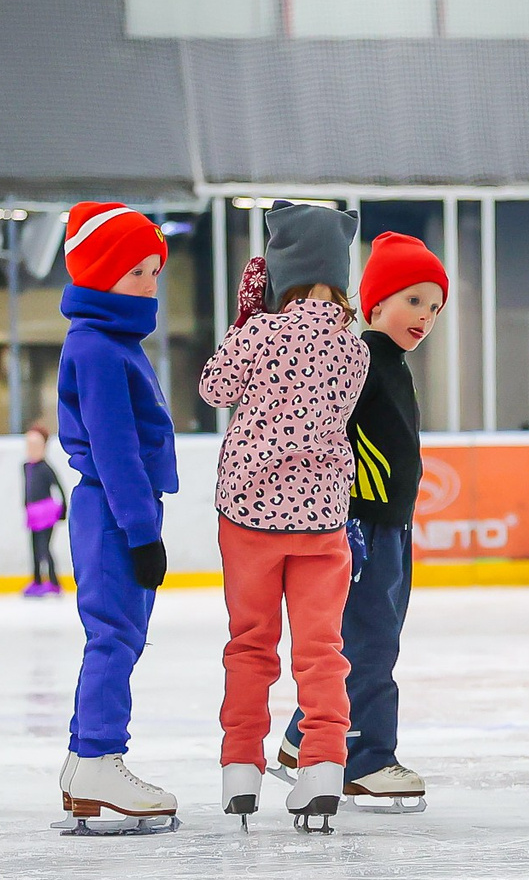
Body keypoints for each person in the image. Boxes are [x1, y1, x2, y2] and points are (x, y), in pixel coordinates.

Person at [198, 203, 370, 832]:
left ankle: (240, 769)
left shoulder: (259, 333)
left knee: (250, 645)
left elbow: (215, 390)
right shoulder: (354, 351)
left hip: (247, 513)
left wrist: (248, 319)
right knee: (322, 649)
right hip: (322, 517)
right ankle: (323, 766)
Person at [276, 231, 446, 811]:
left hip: (390, 527)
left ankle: (305, 735)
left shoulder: (391, 363)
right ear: (374, 304)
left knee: (370, 637)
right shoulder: (362, 358)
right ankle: (366, 755)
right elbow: (328, 433)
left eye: (435, 307)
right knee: (368, 640)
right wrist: (342, 513)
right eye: (413, 300)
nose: (425, 316)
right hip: (362, 527)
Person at [50, 202, 181, 834]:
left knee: (115, 634)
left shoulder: (108, 341)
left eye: (155, 272)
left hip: (114, 509)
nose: (149, 284)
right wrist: (142, 530)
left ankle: (84, 760)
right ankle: (101, 755)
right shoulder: (100, 348)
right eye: (136, 272)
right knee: (115, 636)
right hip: (112, 509)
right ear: (100, 274)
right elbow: (115, 445)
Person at [22, 423, 66, 597]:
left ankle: (54, 582)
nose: (32, 449)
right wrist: (25, 505)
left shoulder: (46, 468)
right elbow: (26, 489)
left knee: (44, 547)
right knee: (34, 547)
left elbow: (60, 488)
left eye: (36, 446)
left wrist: (64, 510)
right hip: (33, 513)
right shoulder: (25, 467)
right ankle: (37, 580)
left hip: (46, 513)